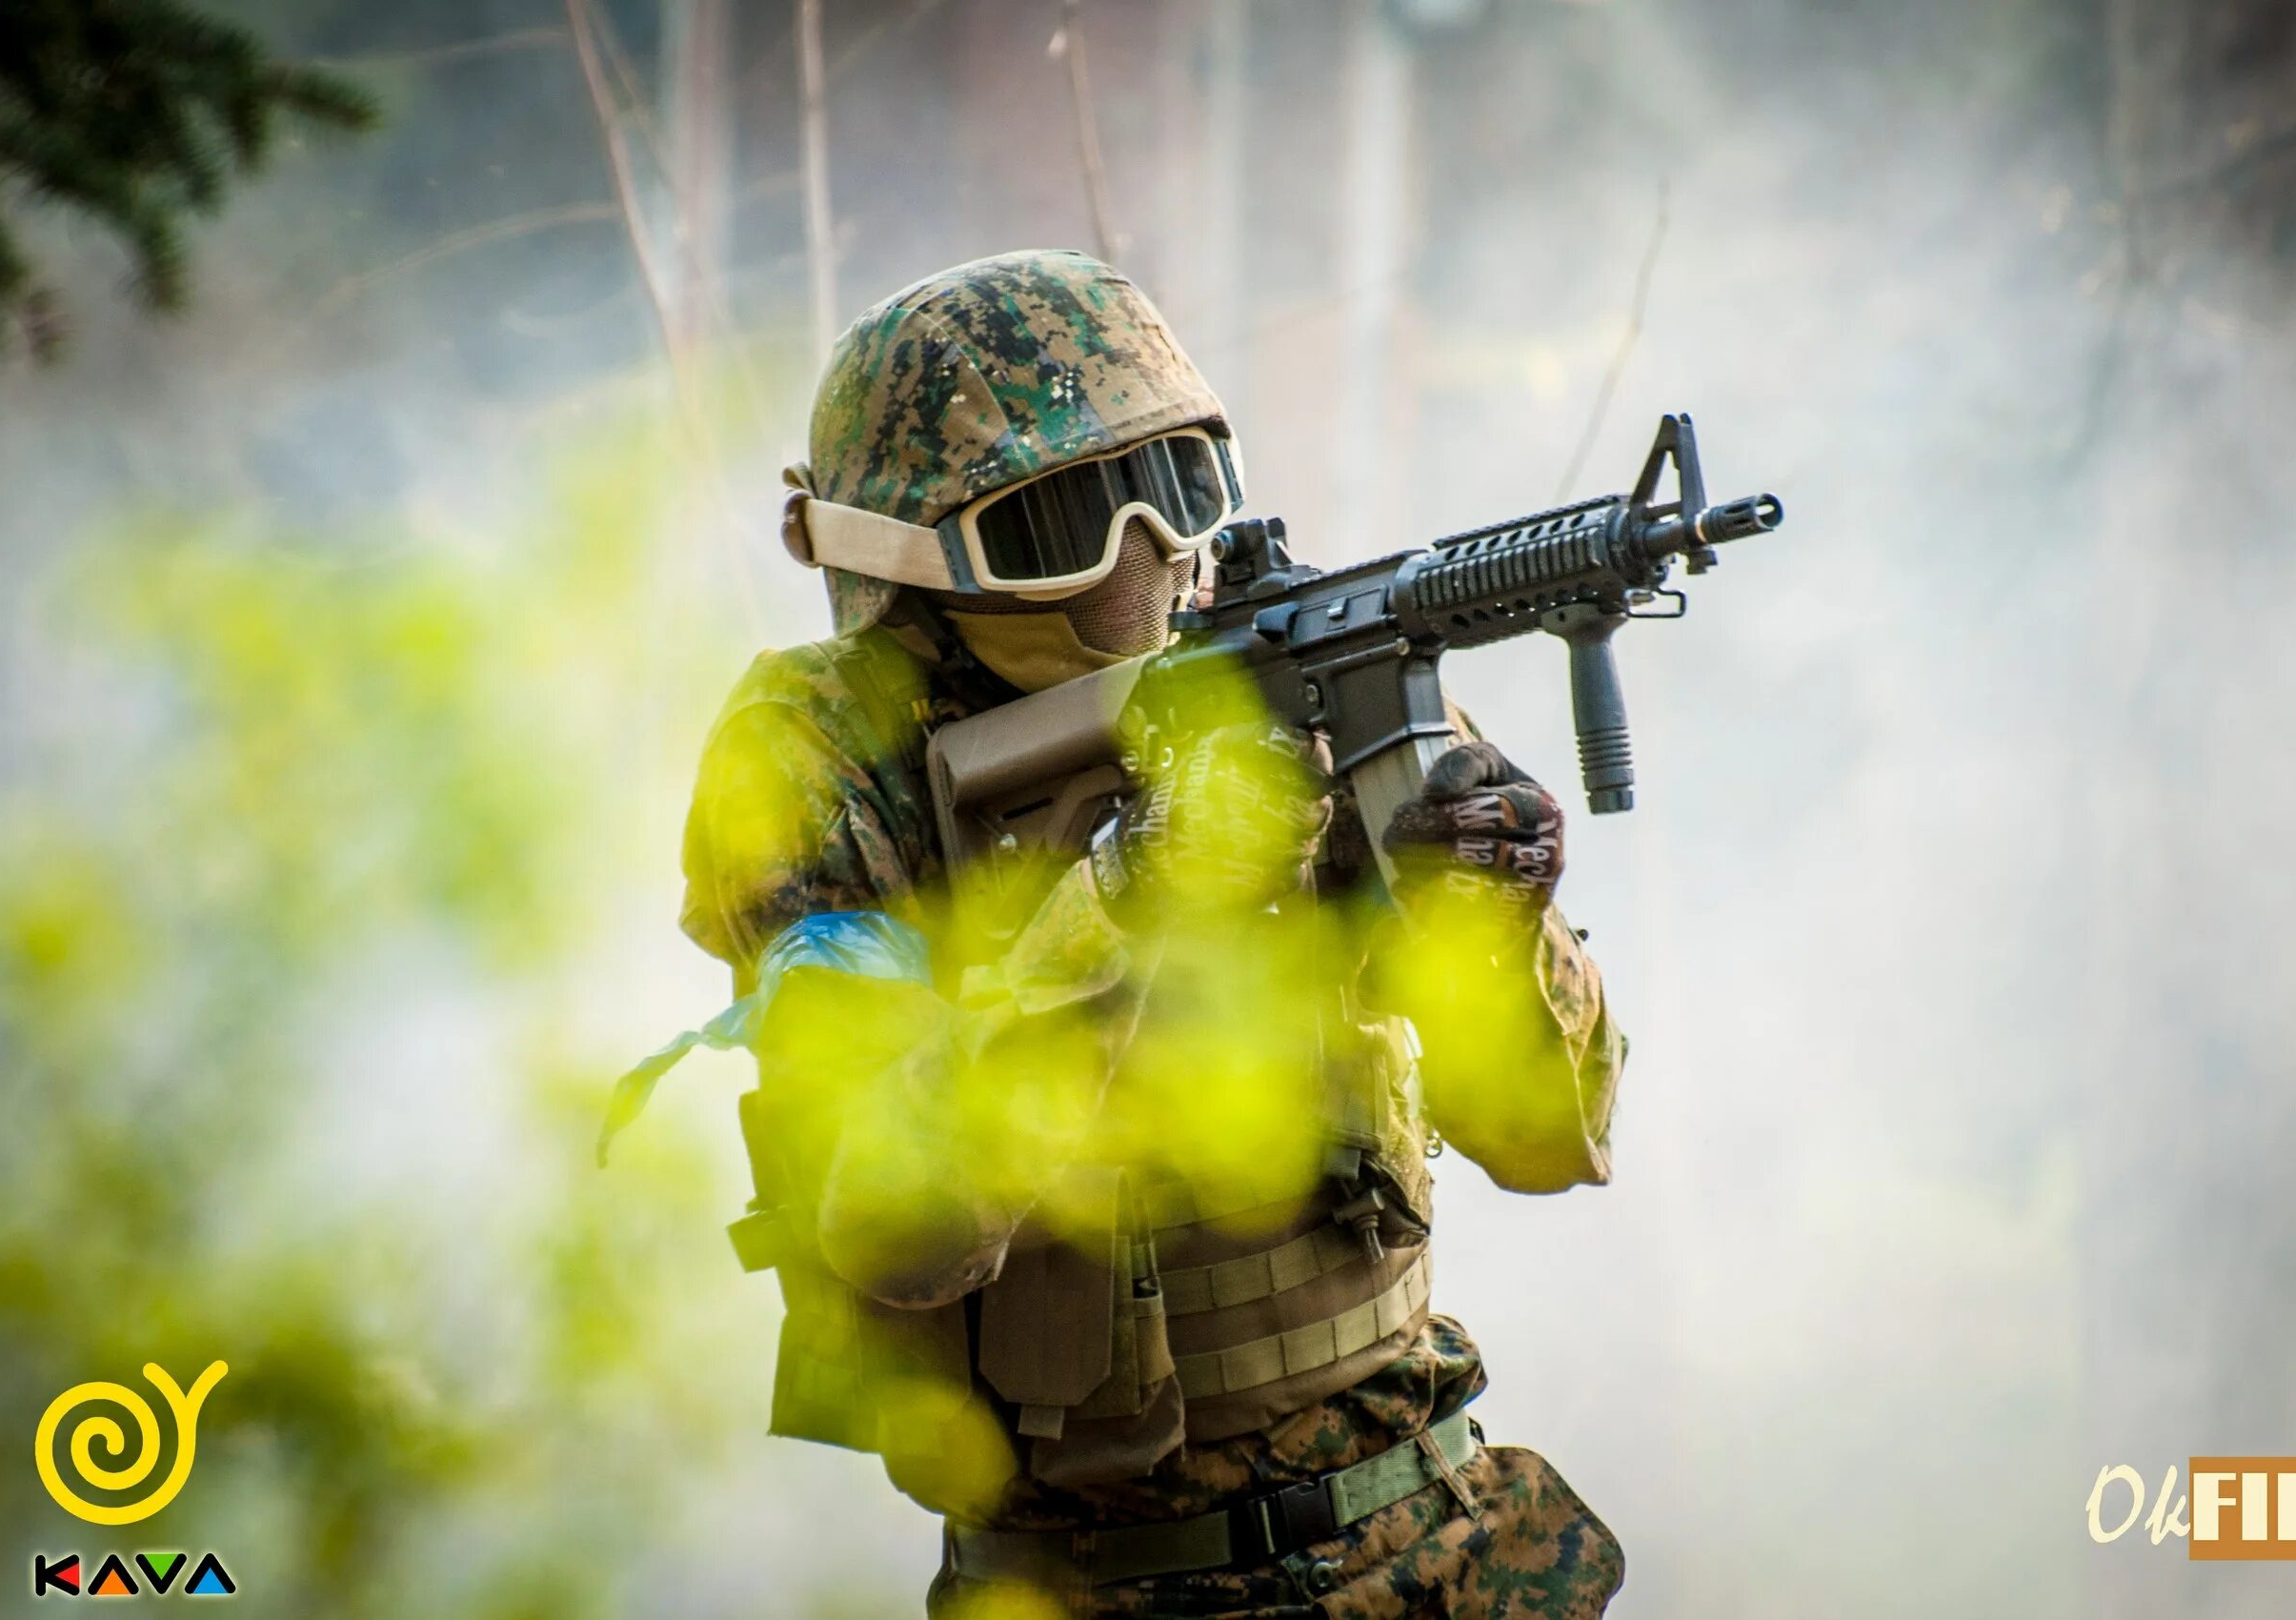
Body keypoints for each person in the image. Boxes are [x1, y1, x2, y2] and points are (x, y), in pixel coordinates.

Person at [642, 249, 1626, 1617]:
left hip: (1436, 1549)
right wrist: (1123, 900)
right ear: (909, 562)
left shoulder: (1302, 668)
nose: (1147, 562)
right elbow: (893, 1227)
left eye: (1174, 494)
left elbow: (1550, 1139)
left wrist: (1493, 921)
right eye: (1063, 526)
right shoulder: (825, 750)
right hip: (1095, 1586)